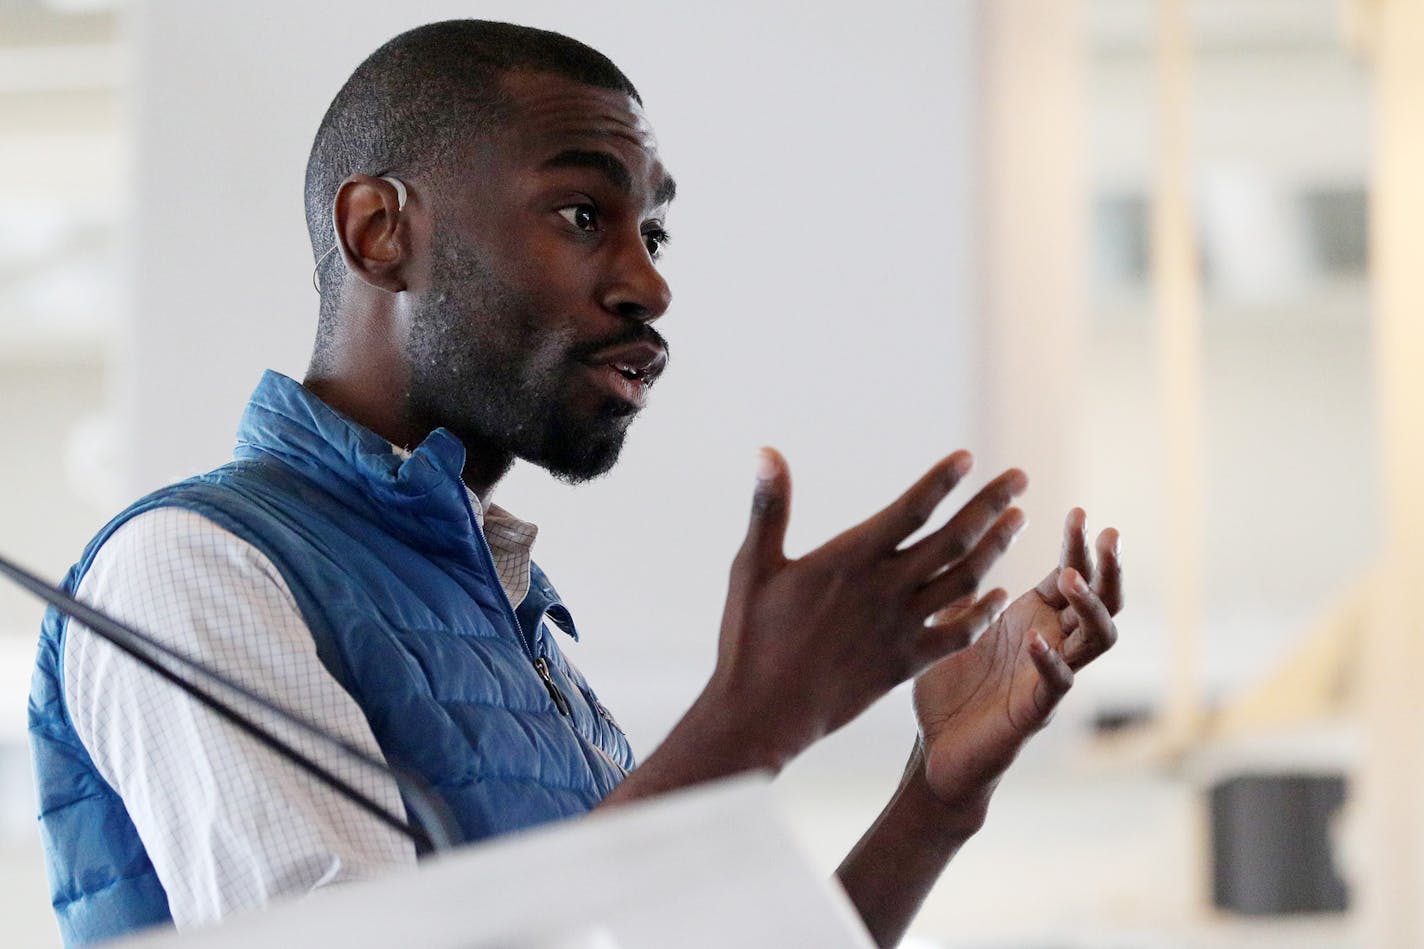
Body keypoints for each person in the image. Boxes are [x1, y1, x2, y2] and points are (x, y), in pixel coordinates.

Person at [28, 20, 1122, 949]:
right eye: (582, 215)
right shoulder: (191, 570)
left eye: (652, 229)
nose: (650, 282)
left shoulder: (508, 618)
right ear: (379, 232)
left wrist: (932, 796)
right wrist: (751, 724)